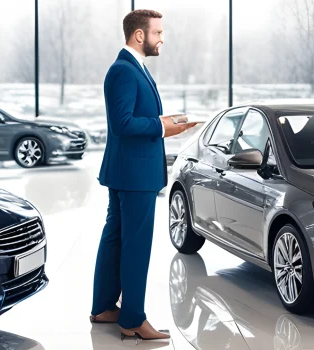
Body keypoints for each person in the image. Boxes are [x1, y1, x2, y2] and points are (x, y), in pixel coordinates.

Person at [89, 9, 197, 341]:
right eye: (158, 33)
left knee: (115, 239)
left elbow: (134, 116)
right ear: (140, 35)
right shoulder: (124, 70)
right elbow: (123, 124)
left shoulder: (132, 68)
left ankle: (104, 307)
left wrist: (165, 119)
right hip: (134, 175)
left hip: (127, 171)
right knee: (136, 246)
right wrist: (163, 128)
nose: (162, 38)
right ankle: (132, 319)